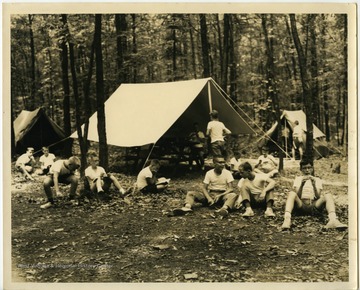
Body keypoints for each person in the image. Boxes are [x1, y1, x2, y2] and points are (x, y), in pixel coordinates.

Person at [281, 160, 347, 230]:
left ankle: (333, 219)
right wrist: (302, 185)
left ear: (312, 169)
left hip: (313, 204)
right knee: (292, 193)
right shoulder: (298, 179)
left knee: (328, 195)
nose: (307, 170)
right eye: (304, 168)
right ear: (301, 169)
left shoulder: (317, 179)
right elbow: (298, 196)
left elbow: (318, 196)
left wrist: (314, 185)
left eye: (309, 168)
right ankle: (287, 219)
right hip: (301, 205)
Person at [172, 156, 237, 217]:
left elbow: (230, 189)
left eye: (223, 162)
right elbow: (204, 188)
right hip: (211, 194)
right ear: (214, 163)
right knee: (191, 193)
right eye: (220, 162)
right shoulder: (209, 173)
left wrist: (220, 195)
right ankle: (187, 208)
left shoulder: (227, 173)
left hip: (222, 196)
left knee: (233, 195)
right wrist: (209, 198)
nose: (222, 164)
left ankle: (223, 209)